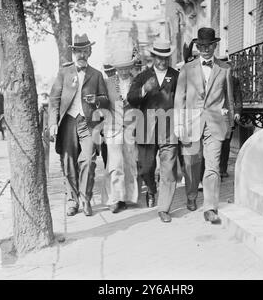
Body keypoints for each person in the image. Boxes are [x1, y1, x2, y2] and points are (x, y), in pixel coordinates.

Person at [174, 27, 235, 224]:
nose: (206, 49)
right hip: (192, 122)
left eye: (209, 46)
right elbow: (179, 98)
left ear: (215, 46)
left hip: (215, 124)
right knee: (192, 163)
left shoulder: (225, 69)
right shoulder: (186, 69)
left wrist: (230, 120)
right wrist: (179, 124)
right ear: (197, 47)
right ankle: (191, 196)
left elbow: (229, 98)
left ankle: (210, 207)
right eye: (202, 46)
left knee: (213, 166)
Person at [49, 33, 109, 217]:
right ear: (74, 53)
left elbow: (106, 100)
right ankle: (72, 201)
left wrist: (96, 100)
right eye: (78, 52)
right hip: (68, 122)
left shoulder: (97, 75)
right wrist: (53, 123)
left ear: (89, 52)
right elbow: (54, 99)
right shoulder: (64, 72)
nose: (81, 55)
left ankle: (85, 198)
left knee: (89, 161)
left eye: (85, 51)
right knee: (68, 162)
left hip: (88, 123)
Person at [127, 39, 179, 223]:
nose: (163, 62)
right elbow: (131, 99)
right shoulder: (142, 76)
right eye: (159, 58)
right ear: (153, 57)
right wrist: (143, 90)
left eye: (166, 58)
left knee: (168, 170)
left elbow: (182, 100)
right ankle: (151, 189)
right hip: (146, 128)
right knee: (146, 168)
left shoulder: (176, 75)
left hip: (169, 129)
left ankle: (164, 208)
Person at [103, 51, 139, 213]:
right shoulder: (108, 82)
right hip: (112, 127)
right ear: (116, 68)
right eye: (120, 68)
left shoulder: (137, 82)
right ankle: (114, 199)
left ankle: (128, 196)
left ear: (131, 67)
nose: (124, 71)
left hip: (131, 126)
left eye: (127, 68)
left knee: (130, 162)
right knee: (115, 163)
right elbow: (103, 101)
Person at [219, 57, 242, 178]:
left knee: (226, 143)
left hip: (229, 116)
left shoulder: (234, 80)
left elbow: (238, 98)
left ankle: (222, 169)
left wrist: (237, 112)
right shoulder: (215, 79)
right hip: (216, 116)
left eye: (229, 66)